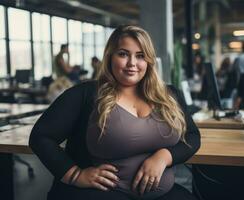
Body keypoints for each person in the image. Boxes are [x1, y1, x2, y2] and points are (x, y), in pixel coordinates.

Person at [29, 25, 200, 200]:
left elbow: (192, 137)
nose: (132, 63)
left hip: (163, 194)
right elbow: (41, 137)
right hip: (100, 193)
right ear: (110, 56)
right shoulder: (85, 94)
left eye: (140, 56)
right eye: (123, 54)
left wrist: (164, 157)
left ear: (149, 60)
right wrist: (75, 175)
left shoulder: (169, 95)